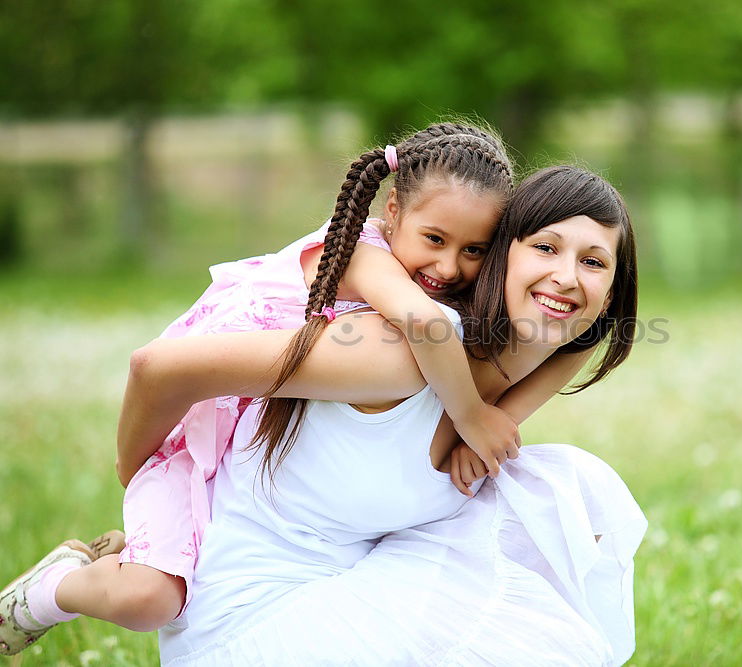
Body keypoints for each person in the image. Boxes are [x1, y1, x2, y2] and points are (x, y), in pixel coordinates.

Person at [0, 121, 528, 652]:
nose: (448, 266)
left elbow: (566, 335)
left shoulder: (412, 267)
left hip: (242, 450)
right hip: (193, 435)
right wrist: (470, 415)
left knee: (184, 566)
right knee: (150, 598)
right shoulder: (364, 255)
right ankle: (46, 593)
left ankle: (126, 554)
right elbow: (426, 323)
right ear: (392, 211)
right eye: (434, 239)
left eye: (474, 251)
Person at [140, 166, 644, 665]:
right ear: (499, 253)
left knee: (568, 487)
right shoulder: (397, 354)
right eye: (546, 247)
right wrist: (138, 473)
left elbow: (585, 335)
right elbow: (160, 366)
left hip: (349, 579)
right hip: (249, 621)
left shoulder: (538, 364)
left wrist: (483, 421)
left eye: (594, 262)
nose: (566, 276)